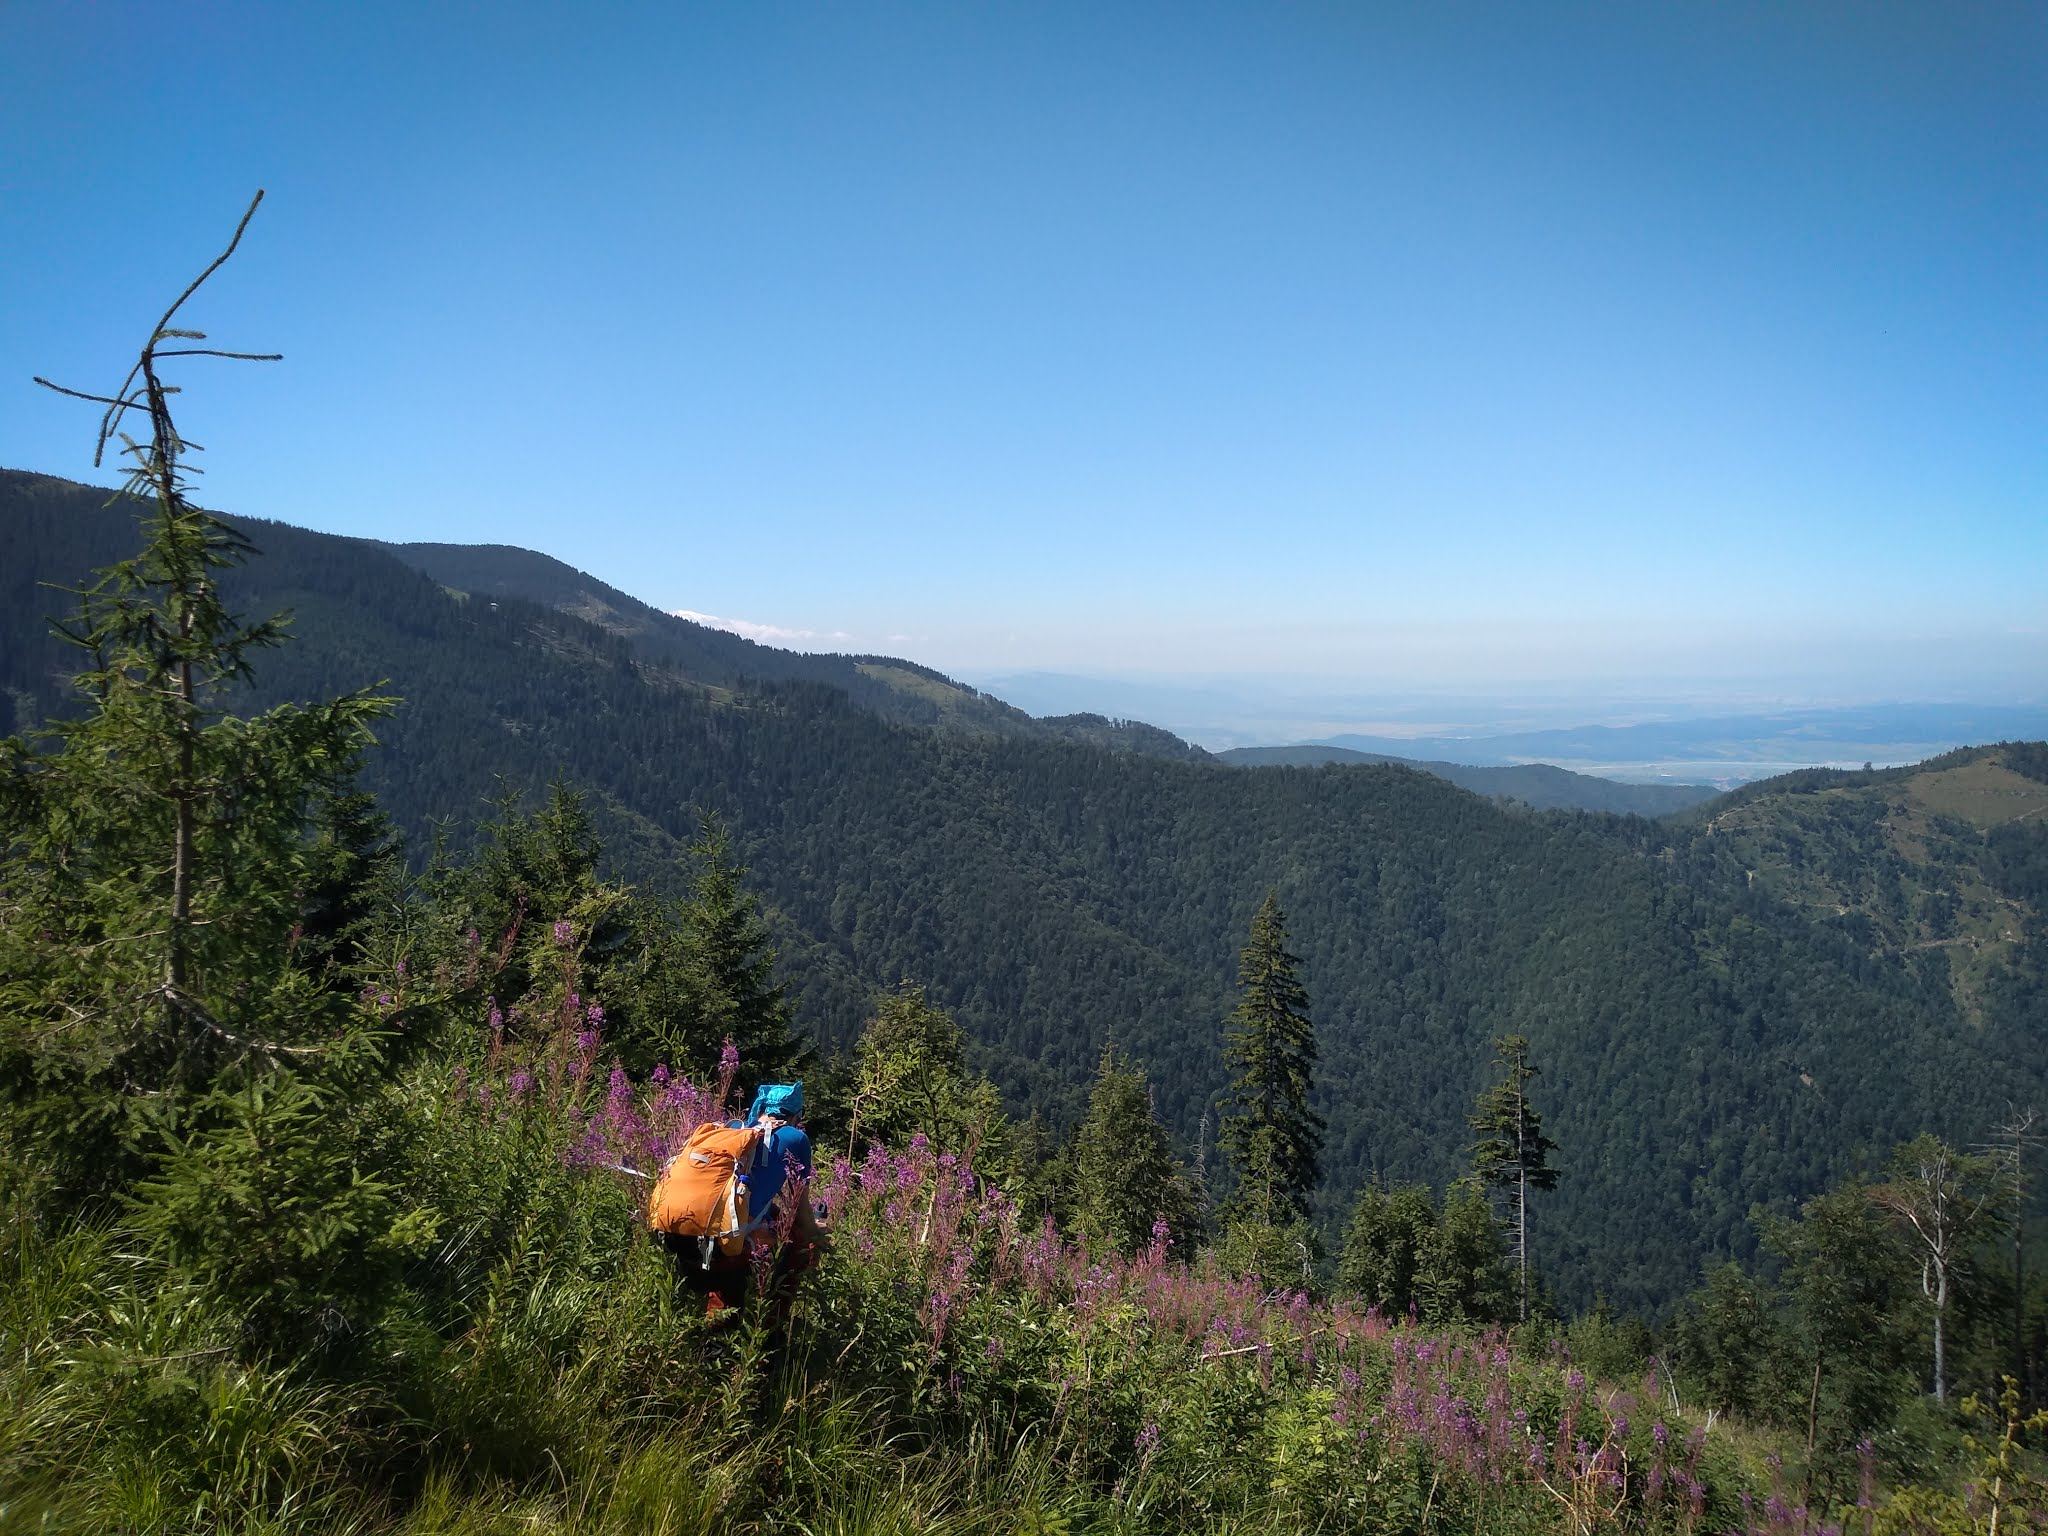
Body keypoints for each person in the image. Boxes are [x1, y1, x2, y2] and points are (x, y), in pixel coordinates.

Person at [665, 1081, 829, 1321]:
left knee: (772, 1214)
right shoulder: (796, 1138)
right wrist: (818, 1232)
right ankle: (773, 1324)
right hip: (726, 1250)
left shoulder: (734, 1132)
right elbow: (800, 1210)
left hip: (679, 1237)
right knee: (800, 1244)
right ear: (796, 1116)